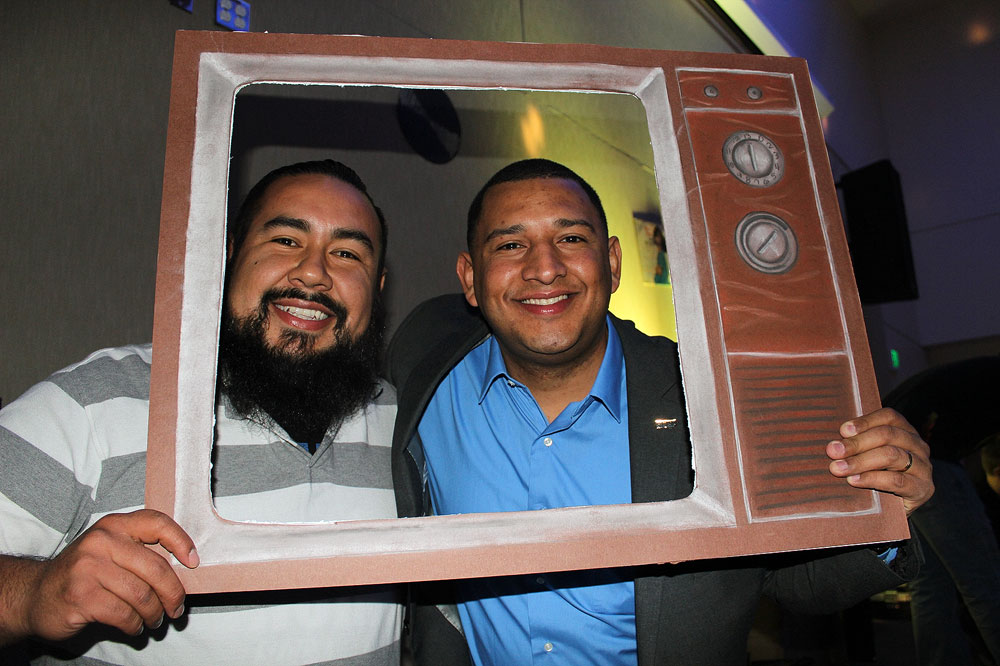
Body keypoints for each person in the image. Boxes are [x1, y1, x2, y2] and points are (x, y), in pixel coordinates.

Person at [388, 159, 934, 666]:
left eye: (571, 238)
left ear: (612, 262)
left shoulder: (711, 402)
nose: (545, 269)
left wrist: (886, 508)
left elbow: (798, 580)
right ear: (470, 278)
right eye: (511, 244)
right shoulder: (426, 366)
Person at [0, 160, 402, 664]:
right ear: (230, 254)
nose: (313, 272)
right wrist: (33, 593)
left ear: (377, 287)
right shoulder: (95, 401)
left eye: (346, 253)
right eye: (285, 240)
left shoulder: (406, 423)